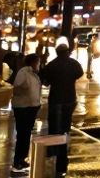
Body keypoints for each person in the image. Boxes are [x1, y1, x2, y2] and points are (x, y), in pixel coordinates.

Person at [39, 41, 84, 176]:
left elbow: (45, 81)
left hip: (57, 98)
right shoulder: (74, 63)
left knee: (55, 126)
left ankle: (55, 147)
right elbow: (79, 73)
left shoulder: (52, 65)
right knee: (65, 123)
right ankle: (64, 136)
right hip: (70, 98)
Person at [9, 54, 42, 175]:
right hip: (23, 108)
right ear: (33, 63)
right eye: (38, 62)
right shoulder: (24, 72)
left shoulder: (33, 73)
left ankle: (22, 159)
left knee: (26, 134)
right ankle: (17, 161)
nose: (39, 65)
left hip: (30, 107)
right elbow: (17, 87)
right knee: (23, 134)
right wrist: (26, 92)